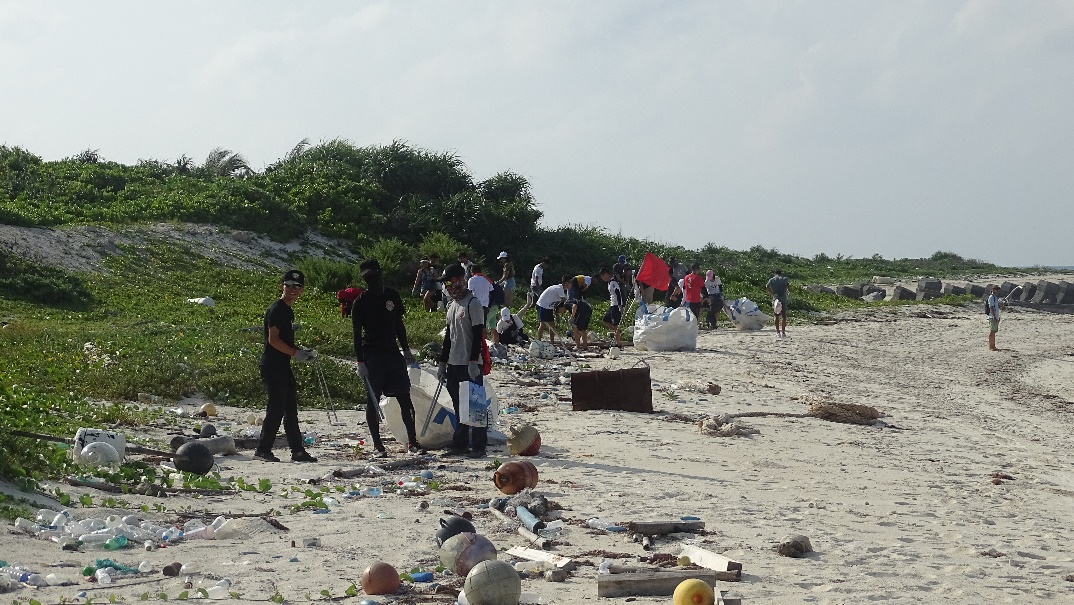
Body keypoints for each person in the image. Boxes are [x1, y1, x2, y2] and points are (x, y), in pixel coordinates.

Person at [352, 259, 423, 458]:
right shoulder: (360, 301)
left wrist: (406, 349)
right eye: (367, 278)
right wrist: (360, 362)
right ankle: (378, 446)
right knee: (373, 401)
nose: (371, 281)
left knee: (404, 397)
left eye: (373, 276)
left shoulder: (392, 295)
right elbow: (356, 334)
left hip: (393, 353)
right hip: (372, 355)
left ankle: (413, 442)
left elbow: (398, 324)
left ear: (380, 274)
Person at [254, 269, 318, 463]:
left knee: (290, 409)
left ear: (302, 290)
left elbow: (285, 341)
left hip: (282, 366)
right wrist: (295, 353)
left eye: (297, 286)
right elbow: (273, 340)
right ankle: (263, 450)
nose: (293, 289)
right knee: (276, 409)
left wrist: (301, 351)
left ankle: (298, 451)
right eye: (289, 285)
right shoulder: (276, 309)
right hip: (272, 366)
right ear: (282, 286)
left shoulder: (288, 311)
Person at [436, 264, 488, 458]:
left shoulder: (472, 303)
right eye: (446, 284)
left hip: (470, 364)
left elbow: (477, 336)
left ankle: (479, 446)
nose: (448, 287)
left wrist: (474, 361)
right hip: (454, 363)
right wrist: (443, 363)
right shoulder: (451, 306)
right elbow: (448, 337)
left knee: (474, 406)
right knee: (459, 406)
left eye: (450, 282)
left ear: (460, 280)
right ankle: (460, 444)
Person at [535, 276, 571, 343]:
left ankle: (552, 342)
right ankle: (538, 341)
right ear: (566, 283)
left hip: (549, 307)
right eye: (570, 283)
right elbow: (564, 300)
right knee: (543, 324)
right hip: (543, 305)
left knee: (552, 325)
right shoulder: (559, 288)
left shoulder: (564, 290)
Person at [597, 267, 624, 346]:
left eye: (602, 276)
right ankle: (618, 332)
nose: (602, 278)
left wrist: (620, 305)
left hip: (616, 305)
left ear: (606, 274)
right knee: (605, 320)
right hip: (612, 305)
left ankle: (618, 343)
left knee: (615, 324)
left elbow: (618, 293)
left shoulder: (613, 282)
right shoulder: (609, 283)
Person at [766, 269, 790, 338]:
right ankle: (783, 332)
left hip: (776, 299)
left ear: (775, 273)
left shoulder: (772, 280)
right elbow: (788, 287)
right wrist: (787, 291)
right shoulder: (784, 279)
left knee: (776, 316)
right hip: (783, 299)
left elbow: (767, 286)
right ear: (781, 273)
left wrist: (772, 293)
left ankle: (778, 332)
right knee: (784, 316)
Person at [987, 285, 1002, 351]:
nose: (997, 291)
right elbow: (991, 307)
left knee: (994, 331)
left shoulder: (995, 297)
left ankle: (993, 345)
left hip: (995, 316)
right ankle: (991, 346)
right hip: (992, 316)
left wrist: (998, 317)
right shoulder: (991, 297)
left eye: (998, 289)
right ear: (993, 290)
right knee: (992, 331)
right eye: (996, 289)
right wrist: (994, 316)